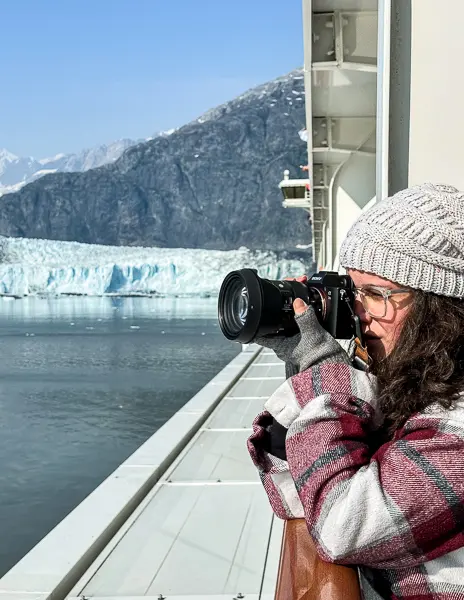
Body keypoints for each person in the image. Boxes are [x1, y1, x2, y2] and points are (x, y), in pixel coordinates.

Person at [248, 183, 464, 600]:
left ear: (442, 308)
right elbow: (297, 497)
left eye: (375, 295)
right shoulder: (415, 387)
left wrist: (323, 377)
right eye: (353, 291)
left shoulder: (455, 427)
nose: (358, 314)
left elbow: (340, 527)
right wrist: (305, 372)